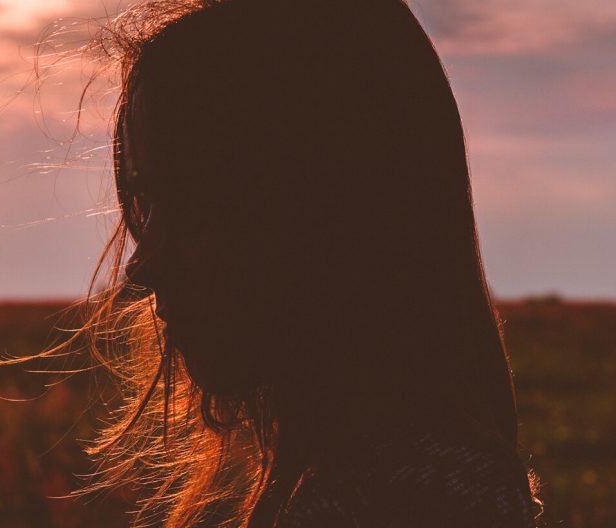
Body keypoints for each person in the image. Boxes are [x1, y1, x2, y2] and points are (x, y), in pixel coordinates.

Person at [77, 0, 543, 526]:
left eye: (193, 203)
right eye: (145, 204)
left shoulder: (413, 501)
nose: (141, 268)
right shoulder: (402, 479)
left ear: (326, 207)